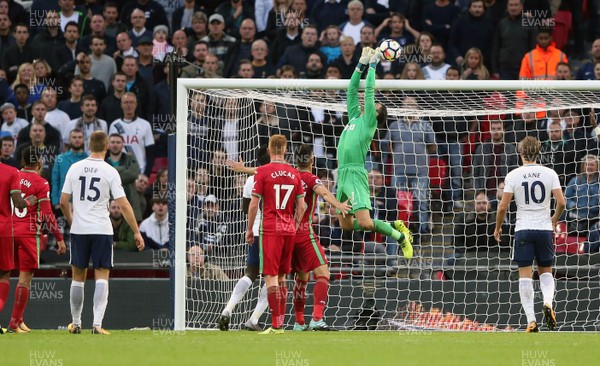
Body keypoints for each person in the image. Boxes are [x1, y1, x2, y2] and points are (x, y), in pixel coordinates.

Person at [60, 131, 144, 335]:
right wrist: (136, 231)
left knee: (78, 277)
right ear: (107, 147)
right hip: (101, 230)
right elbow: (123, 204)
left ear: (89, 145)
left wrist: (73, 222)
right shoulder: (110, 171)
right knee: (101, 276)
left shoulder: (75, 167)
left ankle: (76, 323)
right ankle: (97, 324)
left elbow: (63, 202)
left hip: (80, 231)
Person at [335, 47, 413, 258]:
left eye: (374, 106)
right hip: (341, 173)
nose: (369, 104)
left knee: (366, 223)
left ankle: (399, 236)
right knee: (346, 225)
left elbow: (368, 91)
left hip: (355, 173)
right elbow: (352, 90)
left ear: (376, 115)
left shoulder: (369, 122)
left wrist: (373, 64)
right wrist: (360, 65)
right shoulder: (354, 117)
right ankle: (392, 225)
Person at [494, 136, 566, 333]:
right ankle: (548, 303)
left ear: (520, 152)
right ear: (539, 151)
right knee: (546, 271)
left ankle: (531, 321)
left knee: (525, 276)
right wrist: (554, 219)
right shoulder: (549, 173)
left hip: (523, 229)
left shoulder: (513, 175)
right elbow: (561, 202)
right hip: (544, 229)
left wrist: (498, 227)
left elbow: (502, 207)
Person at [245, 134, 305, 334]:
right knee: (282, 277)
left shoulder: (262, 172)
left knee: (270, 277)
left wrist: (249, 229)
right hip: (289, 229)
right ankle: (280, 324)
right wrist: (294, 225)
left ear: (269, 150)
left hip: (270, 229)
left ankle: (276, 325)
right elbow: (302, 206)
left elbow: (253, 204)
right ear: (286, 150)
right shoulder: (295, 173)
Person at [7, 146, 67, 333]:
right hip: (28, 234)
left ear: (23, 161)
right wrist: (59, 237)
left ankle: (20, 320)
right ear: (39, 163)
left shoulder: (11, 176)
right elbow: (48, 214)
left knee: (4, 276)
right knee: (25, 279)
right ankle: (13, 323)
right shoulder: (41, 183)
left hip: (7, 232)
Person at [219, 145, 270, 331]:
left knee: (250, 273)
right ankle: (254, 320)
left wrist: (250, 226)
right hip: (273, 233)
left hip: (255, 231)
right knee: (275, 278)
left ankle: (227, 309)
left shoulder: (250, 180)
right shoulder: (279, 176)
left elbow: (244, 208)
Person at [0, 158, 36, 334]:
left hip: (8, 230)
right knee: (4, 275)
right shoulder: (11, 172)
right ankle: (13, 322)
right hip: (5, 229)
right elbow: (18, 201)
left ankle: (15, 322)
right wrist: (29, 201)